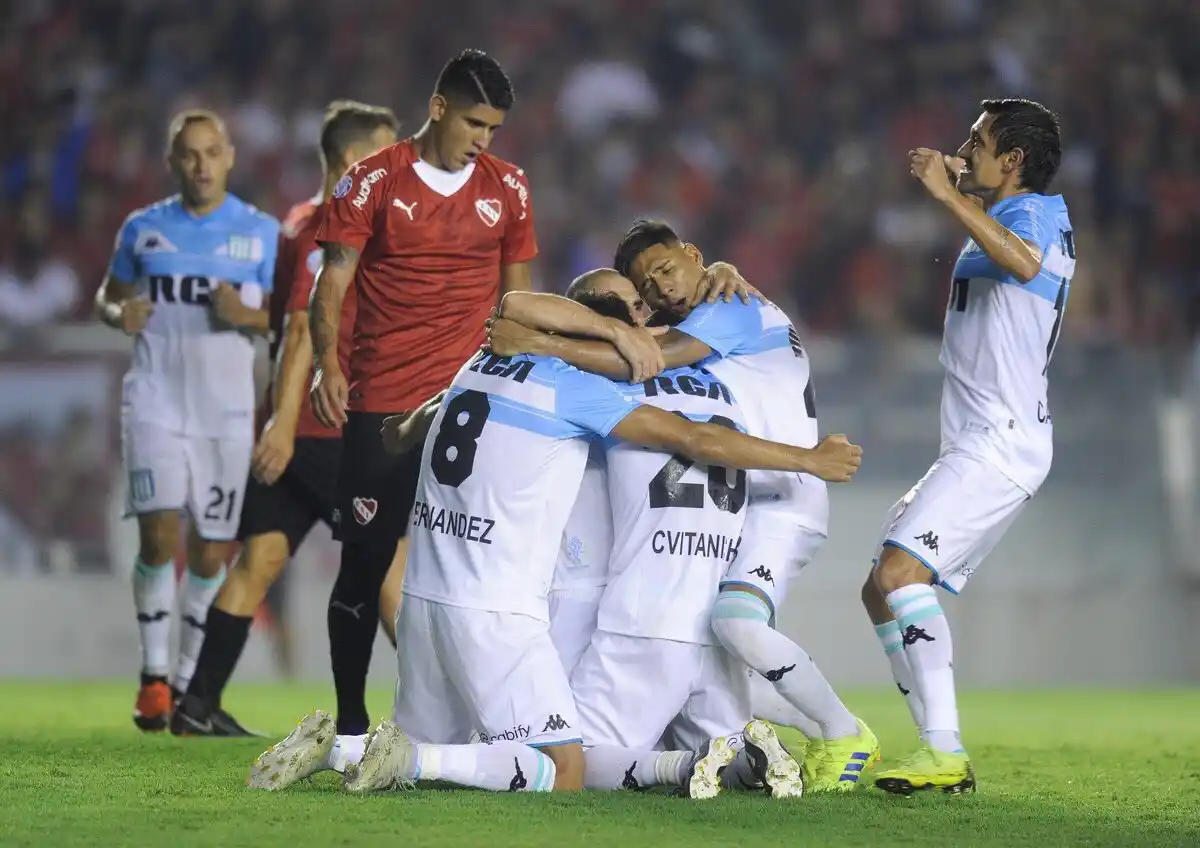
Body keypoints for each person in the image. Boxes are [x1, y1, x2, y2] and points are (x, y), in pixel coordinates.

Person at [248, 270, 861, 795]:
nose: (646, 314)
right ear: (601, 324)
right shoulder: (584, 390)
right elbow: (696, 439)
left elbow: (430, 406)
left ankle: (339, 751)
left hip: (426, 600)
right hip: (504, 609)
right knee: (565, 765)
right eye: (632, 307)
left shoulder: (482, 360)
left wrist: (401, 431)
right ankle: (409, 757)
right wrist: (807, 459)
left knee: (449, 746)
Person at [487, 222, 880, 791]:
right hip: (749, 496)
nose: (661, 291)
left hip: (784, 494)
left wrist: (540, 346)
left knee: (734, 624)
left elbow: (645, 358)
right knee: (718, 645)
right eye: (646, 287)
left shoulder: (729, 308)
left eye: (667, 271)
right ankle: (753, 749)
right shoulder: (719, 299)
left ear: (694, 254)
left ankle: (843, 733)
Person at [307, 49, 536, 739]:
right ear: (437, 107)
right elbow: (333, 283)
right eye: (473, 122)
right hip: (382, 403)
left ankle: (475, 722)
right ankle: (350, 727)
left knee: (479, 570)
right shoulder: (370, 182)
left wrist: (516, 384)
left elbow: (518, 298)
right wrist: (327, 363)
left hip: (470, 408)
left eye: (493, 129)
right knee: (366, 564)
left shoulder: (510, 187)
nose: (483, 140)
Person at [170, 101, 400, 736]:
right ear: (355, 161)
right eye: (387, 151)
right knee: (387, 558)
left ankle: (197, 705)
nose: (399, 162)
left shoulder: (298, 221)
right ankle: (439, 708)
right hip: (326, 427)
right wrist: (285, 422)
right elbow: (301, 326)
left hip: (294, 427)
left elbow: (276, 317)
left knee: (259, 561)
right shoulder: (332, 226)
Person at [865, 98, 1072, 795]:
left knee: (901, 577)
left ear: (1012, 161)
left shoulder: (1034, 211)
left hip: (1001, 442)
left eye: (977, 141)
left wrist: (947, 195)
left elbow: (1021, 263)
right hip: (977, 440)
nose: (964, 147)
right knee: (879, 589)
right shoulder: (1003, 212)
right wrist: (956, 189)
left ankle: (943, 750)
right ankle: (939, 749)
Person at [95, 110, 278, 731]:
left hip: (225, 415)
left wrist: (246, 316)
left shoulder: (260, 234)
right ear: (173, 163)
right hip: (154, 403)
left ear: (229, 157)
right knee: (158, 537)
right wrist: (116, 312)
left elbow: (290, 320)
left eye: (211, 153)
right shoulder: (143, 230)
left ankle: (185, 686)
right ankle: (152, 680)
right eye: (188, 155)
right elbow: (108, 294)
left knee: (210, 553)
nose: (201, 165)